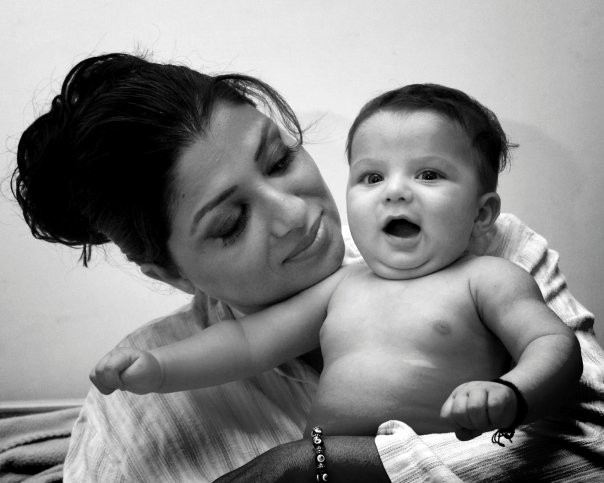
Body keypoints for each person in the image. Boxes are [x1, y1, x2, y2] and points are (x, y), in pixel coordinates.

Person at [11, 53, 603, 482]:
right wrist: (159, 369)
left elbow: (589, 442)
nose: (295, 214)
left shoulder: (486, 251)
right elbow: (245, 344)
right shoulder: (132, 418)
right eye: (231, 222)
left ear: (482, 210)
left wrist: (321, 463)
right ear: (169, 273)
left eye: (279, 160)